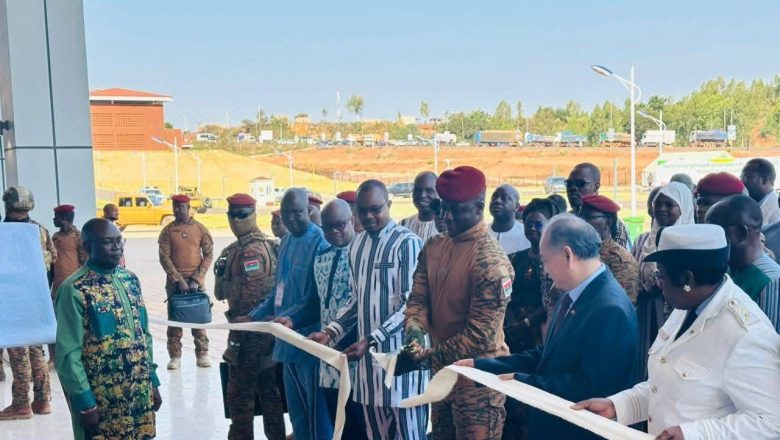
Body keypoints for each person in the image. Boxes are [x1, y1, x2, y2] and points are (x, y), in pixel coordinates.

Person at [574, 224, 780, 440]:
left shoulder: (745, 335)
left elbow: (771, 423)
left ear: (687, 279)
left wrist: (693, 434)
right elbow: (667, 386)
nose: (658, 283)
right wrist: (619, 406)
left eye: (660, 275)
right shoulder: (690, 304)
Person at [456, 214, 639, 440]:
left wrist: (518, 382)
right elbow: (548, 355)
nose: (544, 269)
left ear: (567, 254)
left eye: (545, 260)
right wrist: (482, 367)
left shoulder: (609, 308)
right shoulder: (573, 293)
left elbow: (588, 388)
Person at [309, 180, 428, 440]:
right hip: (367, 374)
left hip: (402, 365)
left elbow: (411, 306)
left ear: (390, 205)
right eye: (362, 211)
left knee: (409, 435)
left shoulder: (408, 243)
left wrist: (372, 339)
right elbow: (355, 301)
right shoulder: (357, 246)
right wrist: (330, 332)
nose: (369, 216)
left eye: (376, 209)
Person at [405, 166, 513, 440]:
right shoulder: (433, 247)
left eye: (457, 209)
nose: (446, 216)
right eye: (443, 207)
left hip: (478, 382)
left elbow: (480, 337)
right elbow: (418, 299)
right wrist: (414, 331)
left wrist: (431, 356)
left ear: (479, 207)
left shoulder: (490, 261)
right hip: (443, 378)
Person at [235, 188, 331, 440]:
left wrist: (290, 319)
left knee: (316, 414)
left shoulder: (319, 242)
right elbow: (279, 290)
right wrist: (254, 316)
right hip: (284, 341)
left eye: (298, 213)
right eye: (286, 214)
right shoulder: (286, 242)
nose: (292, 219)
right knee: (297, 413)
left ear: (308, 211)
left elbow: (314, 299)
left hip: (308, 342)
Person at [55, 218, 162, 439]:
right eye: (107, 242)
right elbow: (68, 354)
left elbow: (144, 335)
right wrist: (85, 403)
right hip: (101, 400)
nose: (117, 247)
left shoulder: (130, 280)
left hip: (138, 394)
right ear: (86, 247)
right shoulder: (75, 289)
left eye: (119, 241)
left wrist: (152, 380)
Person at [214, 193, 286, 440]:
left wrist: (242, 329)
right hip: (255, 331)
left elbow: (254, 296)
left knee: (240, 394)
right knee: (268, 391)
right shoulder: (242, 247)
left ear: (253, 215)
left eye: (241, 215)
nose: (236, 221)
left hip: (251, 332)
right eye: (232, 215)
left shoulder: (251, 251)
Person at [307, 199, 367, 440]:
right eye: (328, 227)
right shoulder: (321, 258)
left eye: (340, 225)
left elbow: (362, 307)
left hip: (355, 359)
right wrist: (290, 319)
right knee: (337, 426)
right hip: (327, 361)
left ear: (352, 220)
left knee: (360, 426)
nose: (334, 232)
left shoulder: (363, 255)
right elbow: (316, 303)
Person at [0, 186, 54, 420]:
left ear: (7, 205)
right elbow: (52, 261)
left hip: (12, 299)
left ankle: (21, 404)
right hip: (37, 297)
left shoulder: (3, 232)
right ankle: (43, 401)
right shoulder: (40, 231)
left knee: (17, 349)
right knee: (36, 349)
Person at [633, 182, 694, 379]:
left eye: (669, 205)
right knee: (645, 364)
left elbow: (689, 286)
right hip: (645, 311)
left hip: (676, 313)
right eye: (657, 204)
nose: (661, 209)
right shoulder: (644, 241)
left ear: (683, 207)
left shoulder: (691, 242)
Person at [706, 195, 780, 331]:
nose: (710, 240)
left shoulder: (771, 281)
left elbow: (769, 342)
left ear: (741, 233)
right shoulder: (727, 271)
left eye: (717, 232)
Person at [157, 194, 214, 369]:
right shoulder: (167, 231)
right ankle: (175, 357)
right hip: (175, 284)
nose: (177, 210)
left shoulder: (200, 229)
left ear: (188, 208)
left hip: (196, 282)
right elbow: (164, 257)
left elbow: (209, 254)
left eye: (181, 207)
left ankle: (202, 354)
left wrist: (197, 278)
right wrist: (178, 279)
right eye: (174, 206)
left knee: (198, 318)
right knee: (175, 320)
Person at [504, 198, 560, 354]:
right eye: (528, 224)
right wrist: (511, 322)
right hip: (511, 331)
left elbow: (554, 300)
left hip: (543, 332)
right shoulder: (514, 258)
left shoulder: (557, 261)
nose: (532, 229)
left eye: (538, 224)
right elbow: (505, 294)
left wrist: (527, 324)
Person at [578, 195, 639, 304]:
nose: (582, 223)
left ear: (608, 222)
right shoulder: (577, 252)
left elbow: (620, 306)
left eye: (589, 218)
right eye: (581, 218)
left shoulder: (620, 260)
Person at [49, 204, 88, 368]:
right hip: (56, 289)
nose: (53, 220)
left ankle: (79, 356)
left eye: (56, 217)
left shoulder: (79, 237)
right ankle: (54, 358)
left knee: (75, 324)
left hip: (73, 289)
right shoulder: (55, 237)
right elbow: (51, 265)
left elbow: (85, 263)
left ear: (63, 218)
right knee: (54, 324)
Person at [565, 163, 631, 248]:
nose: (572, 188)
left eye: (580, 183)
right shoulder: (565, 221)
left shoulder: (615, 225)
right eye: (569, 184)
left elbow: (618, 257)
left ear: (596, 187)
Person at [489, 184, 530, 256]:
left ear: (517, 207)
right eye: (494, 197)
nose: (497, 201)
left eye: (504, 198)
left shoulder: (528, 235)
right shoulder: (480, 234)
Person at [400, 171, 440, 243]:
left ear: (439, 193)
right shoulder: (403, 225)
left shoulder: (448, 227)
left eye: (429, 191)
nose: (422, 195)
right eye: (418, 190)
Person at [741, 158, 780, 228]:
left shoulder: (774, 209)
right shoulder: (753, 202)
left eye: (747, 177)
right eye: (741, 178)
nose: (742, 182)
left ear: (765, 179)